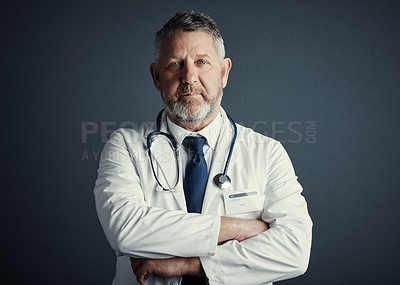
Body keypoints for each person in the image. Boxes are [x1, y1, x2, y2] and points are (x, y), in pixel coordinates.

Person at [94, 11, 312, 285]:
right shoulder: (124, 146)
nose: (189, 76)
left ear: (223, 72)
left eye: (202, 62)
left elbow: (294, 251)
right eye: (175, 64)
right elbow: (126, 230)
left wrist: (191, 265)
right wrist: (240, 227)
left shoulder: (267, 153)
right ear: (156, 76)